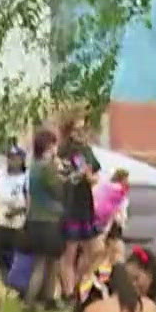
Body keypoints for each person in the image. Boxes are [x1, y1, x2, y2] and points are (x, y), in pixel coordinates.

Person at [56, 112, 103, 301]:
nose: (81, 132)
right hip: (71, 203)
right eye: (77, 128)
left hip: (85, 203)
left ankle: (79, 283)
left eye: (83, 128)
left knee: (95, 249)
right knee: (70, 251)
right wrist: (86, 176)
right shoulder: (65, 150)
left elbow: (94, 174)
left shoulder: (86, 150)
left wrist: (90, 177)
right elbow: (68, 175)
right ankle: (69, 291)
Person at [20, 129, 68, 310]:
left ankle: (38, 299)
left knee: (41, 261)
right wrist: (61, 174)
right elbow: (57, 190)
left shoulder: (33, 166)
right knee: (51, 263)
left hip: (34, 219)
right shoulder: (48, 166)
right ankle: (37, 299)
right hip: (50, 219)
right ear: (49, 146)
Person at [0, 147, 28, 280]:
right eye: (9, 158)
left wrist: (17, 211)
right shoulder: (1, 176)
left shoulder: (25, 178)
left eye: (15, 158)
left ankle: (17, 284)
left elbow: (29, 201)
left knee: (16, 258)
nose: (11, 161)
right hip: (1, 223)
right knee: (1, 257)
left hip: (19, 224)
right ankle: (5, 284)